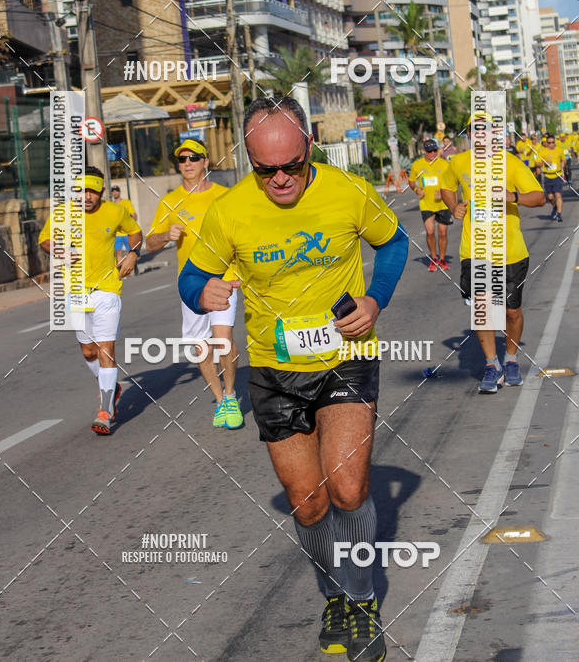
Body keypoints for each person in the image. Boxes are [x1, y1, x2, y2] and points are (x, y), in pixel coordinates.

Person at [179, 97, 408, 662]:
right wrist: (199, 292)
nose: (280, 178)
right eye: (265, 170)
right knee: (307, 502)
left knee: (349, 488)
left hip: (346, 357)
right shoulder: (229, 210)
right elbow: (192, 276)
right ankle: (334, 594)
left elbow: (395, 242)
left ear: (308, 146)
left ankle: (359, 603)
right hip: (275, 369)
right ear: (249, 160)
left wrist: (374, 300)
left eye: (291, 165)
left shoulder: (346, 190)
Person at [441, 116, 545, 394]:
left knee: (511, 311)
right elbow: (446, 186)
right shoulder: (459, 162)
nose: (480, 135)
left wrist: (513, 197)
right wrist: (454, 207)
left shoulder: (510, 163)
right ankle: (492, 365)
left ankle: (510, 358)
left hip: (509, 251)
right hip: (474, 250)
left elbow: (539, 196)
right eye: (475, 131)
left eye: (486, 131)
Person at [145, 138, 243, 429]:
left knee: (223, 340)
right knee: (202, 347)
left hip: (224, 277)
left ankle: (230, 394)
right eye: (182, 159)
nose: (187, 163)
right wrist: (165, 236)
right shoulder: (170, 201)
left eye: (193, 158)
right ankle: (219, 399)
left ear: (205, 162)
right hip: (191, 285)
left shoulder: (225, 196)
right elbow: (150, 242)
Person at [39, 166, 142, 434]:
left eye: (93, 192)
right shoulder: (62, 213)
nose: (87, 196)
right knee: (88, 351)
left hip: (107, 290)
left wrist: (132, 253)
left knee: (106, 349)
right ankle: (112, 387)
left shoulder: (115, 211)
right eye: (82, 191)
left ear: (102, 192)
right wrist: (59, 250)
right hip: (75, 291)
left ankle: (106, 411)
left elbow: (135, 232)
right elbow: (44, 240)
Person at [408, 138, 453, 271]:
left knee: (443, 233)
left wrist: (444, 192)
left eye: (434, 150)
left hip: (443, 204)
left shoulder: (444, 164)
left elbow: (452, 182)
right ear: (424, 152)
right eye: (429, 151)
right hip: (426, 204)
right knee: (430, 232)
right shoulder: (417, 165)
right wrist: (417, 190)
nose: (432, 153)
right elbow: (411, 182)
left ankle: (443, 259)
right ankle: (434, 258)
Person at [535, 133, 567, 222]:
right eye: (549, 143)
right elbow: (536, 163)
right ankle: (555, 207)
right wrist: (544, 163)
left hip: (557, 175)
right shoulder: (543, 151)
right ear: (547, 143)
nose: (551, 144)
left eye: (553, 142)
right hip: (547, 176)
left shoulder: (559, 150)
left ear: (555, 142)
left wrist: (563, 164)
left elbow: (563, 159)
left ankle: (559, 214)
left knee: (558, 195)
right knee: (550, 198)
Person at [111, 185, 138, 269]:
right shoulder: (111, 205)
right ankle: (121, 270)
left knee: (130, 251)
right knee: (118, 252)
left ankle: (134, 266)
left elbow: (134, 215)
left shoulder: (126, 202)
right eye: (113, 191)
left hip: (127, 233)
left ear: (119, 192)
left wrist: (131, 227)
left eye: (116, 191)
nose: (115, 193)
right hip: (117, 234)